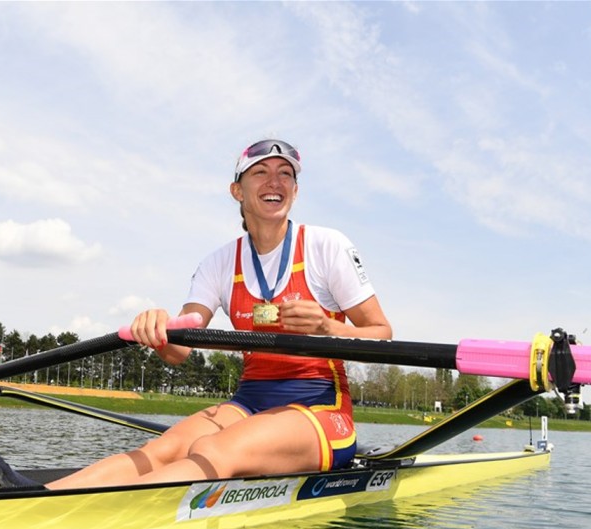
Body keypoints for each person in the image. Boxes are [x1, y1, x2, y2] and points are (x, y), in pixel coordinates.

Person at [48, 139, 391, 490]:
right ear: (237, 191)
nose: (275, 182)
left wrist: (327, 327)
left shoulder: (326, 246)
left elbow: (381, 332)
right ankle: (45, 497)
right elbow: (179, 349)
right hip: (249, 401)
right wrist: (157, 330)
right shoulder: (219, 263)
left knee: (211, 449)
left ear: (295, 190)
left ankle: (109, 509)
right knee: (163, 450)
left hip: (320, 407)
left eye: (285, 174)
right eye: (261, 172)